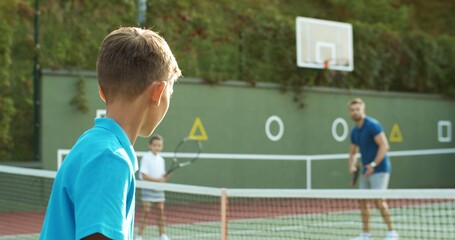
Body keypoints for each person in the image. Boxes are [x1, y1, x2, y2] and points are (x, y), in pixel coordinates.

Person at [40, 27, 181, 240]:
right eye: (171, 91)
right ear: (158, 92)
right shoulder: (110, 158)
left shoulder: (93, 145)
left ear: (102, 91)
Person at [347, 98, 399, 240]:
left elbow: (384, 145)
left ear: (363, 110)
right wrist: (351, 165)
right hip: (365, 170)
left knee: (378, 200)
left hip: (380, 168)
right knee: (362, 201)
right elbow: (352, 152)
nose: (355, 112)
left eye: (357, 109)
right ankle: (365, 234)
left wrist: (374, 165)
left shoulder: (372, 125)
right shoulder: (355, 131)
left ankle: (392, 231)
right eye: (352, 110)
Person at [136, 135, 171, 240]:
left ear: (162, 146)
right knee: (146, 212)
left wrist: (164, 177)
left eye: (159, 145)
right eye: (154, 145)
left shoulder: (161, 160)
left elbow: (162, 176)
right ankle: (139, 236)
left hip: (159, 189)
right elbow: (143, 175)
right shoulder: (146, 157)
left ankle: (162, 235)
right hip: (148, 188)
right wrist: (157, 181)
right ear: (150, 146)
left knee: (161, 212)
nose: (157, 147)